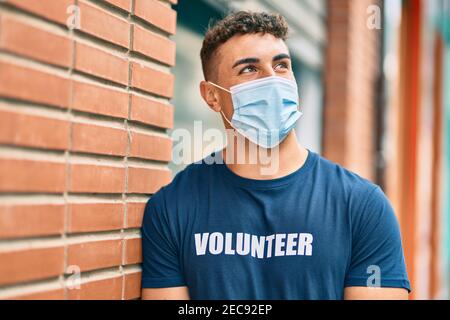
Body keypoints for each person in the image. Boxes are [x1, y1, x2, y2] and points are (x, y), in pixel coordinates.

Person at [141, 11, 410, 300]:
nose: (272, 80)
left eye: (281, 65)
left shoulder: (361, 206)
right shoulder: (173, 207)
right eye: (249, 69)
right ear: (212, 96)